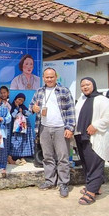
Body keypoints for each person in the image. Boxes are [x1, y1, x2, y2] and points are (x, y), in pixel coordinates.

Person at [29, 67, 76, 198]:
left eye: (52, 77)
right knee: (47, 156)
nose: (49, 79)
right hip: (44, 127)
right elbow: (30, 108)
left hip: (61, 128)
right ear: (43, 78)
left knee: (63, 157)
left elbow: (71, 110)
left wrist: (70, 127)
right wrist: (33, 108)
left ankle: (63, 184)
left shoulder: (64, 91)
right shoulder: (39, 91)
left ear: (56, 77)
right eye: (47, 77)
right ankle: (50, 181)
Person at [74, 77, 109, 205]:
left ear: (94, 85)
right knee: (86, 162)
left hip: (96, 136)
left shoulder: (103, 100)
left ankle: (91, 192)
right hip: (81, 136)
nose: (85, 87)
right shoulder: (81, 99)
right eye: (83, 85)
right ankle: (94, 187)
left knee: (95, 163)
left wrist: (95, 126)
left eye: (88, 84)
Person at [10, 93, 34, 166]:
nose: (20, 102)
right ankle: (15, 156)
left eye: (22, 101)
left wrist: (22, 111)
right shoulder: (12, 106)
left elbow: (29, 114)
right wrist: (17, 108)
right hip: (15, 128)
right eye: (19, 99)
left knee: (24, 141)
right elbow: (12, 115)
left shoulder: (23, 107)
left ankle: (22, 156)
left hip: (24, 127)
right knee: (16, 141)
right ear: (16, 99)